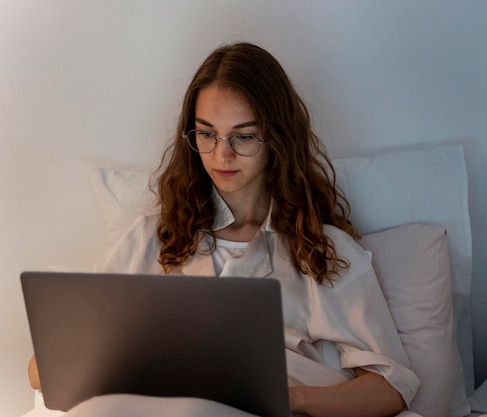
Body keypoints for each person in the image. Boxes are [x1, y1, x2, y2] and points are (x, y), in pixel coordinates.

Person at [28, 42, 419, 417]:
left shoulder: (321, 249)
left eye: (243, 136)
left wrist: (291, 400)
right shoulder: (149, 239)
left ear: (277, 139)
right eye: (206, 133)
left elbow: (391, 386)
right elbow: (42, 370)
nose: (221, 155)